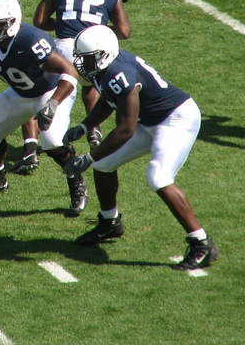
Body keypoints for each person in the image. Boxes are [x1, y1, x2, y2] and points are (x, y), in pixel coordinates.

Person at [61, 25, 218, 271]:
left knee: (158, 177)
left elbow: (125, 129)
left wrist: (88, 157)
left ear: (104, 54)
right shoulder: (107, 68)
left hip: (175, 118)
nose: (82, 64)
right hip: (149, 120)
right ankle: (109, 222)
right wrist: (84, 126)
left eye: (88, 58)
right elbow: (108, 99)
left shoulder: (120, 72)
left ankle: (201, 242)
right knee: (104, 165)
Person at [0, 0, 86, 215]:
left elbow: (71, 71)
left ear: (12, 22)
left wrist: (54, 103)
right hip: (19, 93)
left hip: (51, 91)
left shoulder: (30, 40)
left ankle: (76, 182)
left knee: (51, 140)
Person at [19, 0, 131, 172]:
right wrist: (94, 29)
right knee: (91, 84)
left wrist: (64, 24)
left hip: (64, 50)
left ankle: (30, 148)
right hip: (95, 51)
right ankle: (94, 128)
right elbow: (123, 31)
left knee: (39, 93)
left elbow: (39, 21)